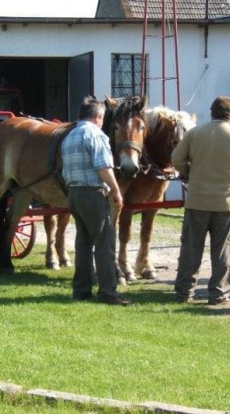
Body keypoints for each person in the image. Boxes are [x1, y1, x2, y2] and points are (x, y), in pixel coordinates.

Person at [172, 96, 230, 304]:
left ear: (212, 112)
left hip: (197, 200)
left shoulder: (194, 133)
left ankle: (184, 292)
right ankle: (218, 293)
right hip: (225, 202)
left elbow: (176, 159)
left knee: (190, 248)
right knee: (223, 249)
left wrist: (188, 172)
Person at [61, 96, 129, 306]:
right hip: (93, 193)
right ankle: (108, 292)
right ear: (98, 116)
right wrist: (116, 191)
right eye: (103, 118)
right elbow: (103, 167)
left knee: (83, 242)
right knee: (104, 243)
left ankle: (81, 289)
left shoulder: (70, 136)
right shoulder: (95, 134)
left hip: (74, 193)